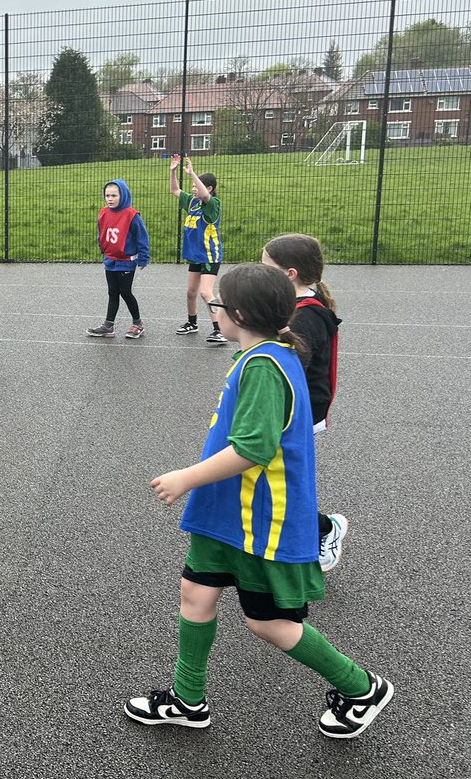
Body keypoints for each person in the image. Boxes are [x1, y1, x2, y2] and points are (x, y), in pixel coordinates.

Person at [126, 262, 392, 738]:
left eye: (216, 306)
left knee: (267, 623)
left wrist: (185, 477)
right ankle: (188, 700)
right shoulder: (261, 354)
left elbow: (253, 449)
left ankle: (361, 687)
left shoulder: (267, 366)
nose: (213, 312)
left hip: (257, 518)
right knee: (196, 591)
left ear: (240, 314)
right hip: (225, 512)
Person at [263, 233, 346, 572]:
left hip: (298, 415)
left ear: (290, 274)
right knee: (274, 480)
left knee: (284, 485)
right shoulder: (295, 308)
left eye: (267, 267)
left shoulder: (305, 318)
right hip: (293, 412)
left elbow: (291, 372)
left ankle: (326, 529)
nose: (261, 271)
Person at [169, 154, 226, 344]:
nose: (193, 188)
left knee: (205, 292)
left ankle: (220, 329)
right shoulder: (192, 202)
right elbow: (175, 189)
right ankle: (192, 323)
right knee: (191, 292)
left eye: (197, 185)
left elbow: (203, 195)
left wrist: (192, 173)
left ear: (209, 188)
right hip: (195, 256)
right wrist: (173, 171)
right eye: (193, 185)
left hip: (210, 255)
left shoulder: (212, 205)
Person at [86, 179, 150, 339]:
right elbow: (101, 231)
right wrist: (103, 248)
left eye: (114, 195)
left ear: (123, 195)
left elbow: (142, 237)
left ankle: (138, 324)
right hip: (110, 260)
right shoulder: (103, 213)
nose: (110, 199)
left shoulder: (131, 215)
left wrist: (143, 258)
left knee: (125, 292)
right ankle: (108, 325)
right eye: (107, 195)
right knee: (112, 292)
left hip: (126, 261)